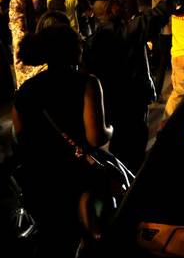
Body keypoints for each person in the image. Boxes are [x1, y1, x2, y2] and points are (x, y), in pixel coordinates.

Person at [12, 23, 112, 257]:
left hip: (39, 179)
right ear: (69, 49)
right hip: (75, 178)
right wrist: (111, 130)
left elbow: (21, 137)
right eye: (78, 42)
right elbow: (95, 137)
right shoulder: (87, 83)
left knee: (52, 241)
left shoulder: (26, 90)